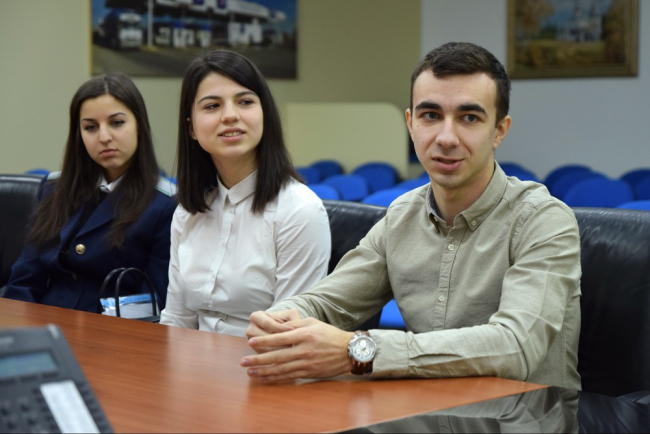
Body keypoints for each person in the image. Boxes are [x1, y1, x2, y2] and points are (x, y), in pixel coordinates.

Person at [240, 42, 582, 389]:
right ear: (411, 124)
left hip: (525, 413)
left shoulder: (544, 221)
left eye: (469, 118)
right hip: (425, 408)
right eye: (430, 115)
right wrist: (280, 321)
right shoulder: (401, 217)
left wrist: (360, 351)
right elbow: (327, 302)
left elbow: (516, 347)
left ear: (499, 131)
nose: (446, 138)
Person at [159, 49, 331, 337]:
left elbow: (286, 334)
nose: (230, 115)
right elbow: (177, 318)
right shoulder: (187, 213)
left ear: (265, 114)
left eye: (245, 102)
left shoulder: (300, 211)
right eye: (212, 106)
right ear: (191, 128)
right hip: (190, 360)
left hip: (264, 358)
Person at [4, 72, 177, 313]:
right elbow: (24, 282)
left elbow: (159, 302)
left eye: (117, 123)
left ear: (139, 125)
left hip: (113, 330)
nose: (104, 137)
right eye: (90, 127)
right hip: (45, 322)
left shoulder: (165, 204)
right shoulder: (54, 189)